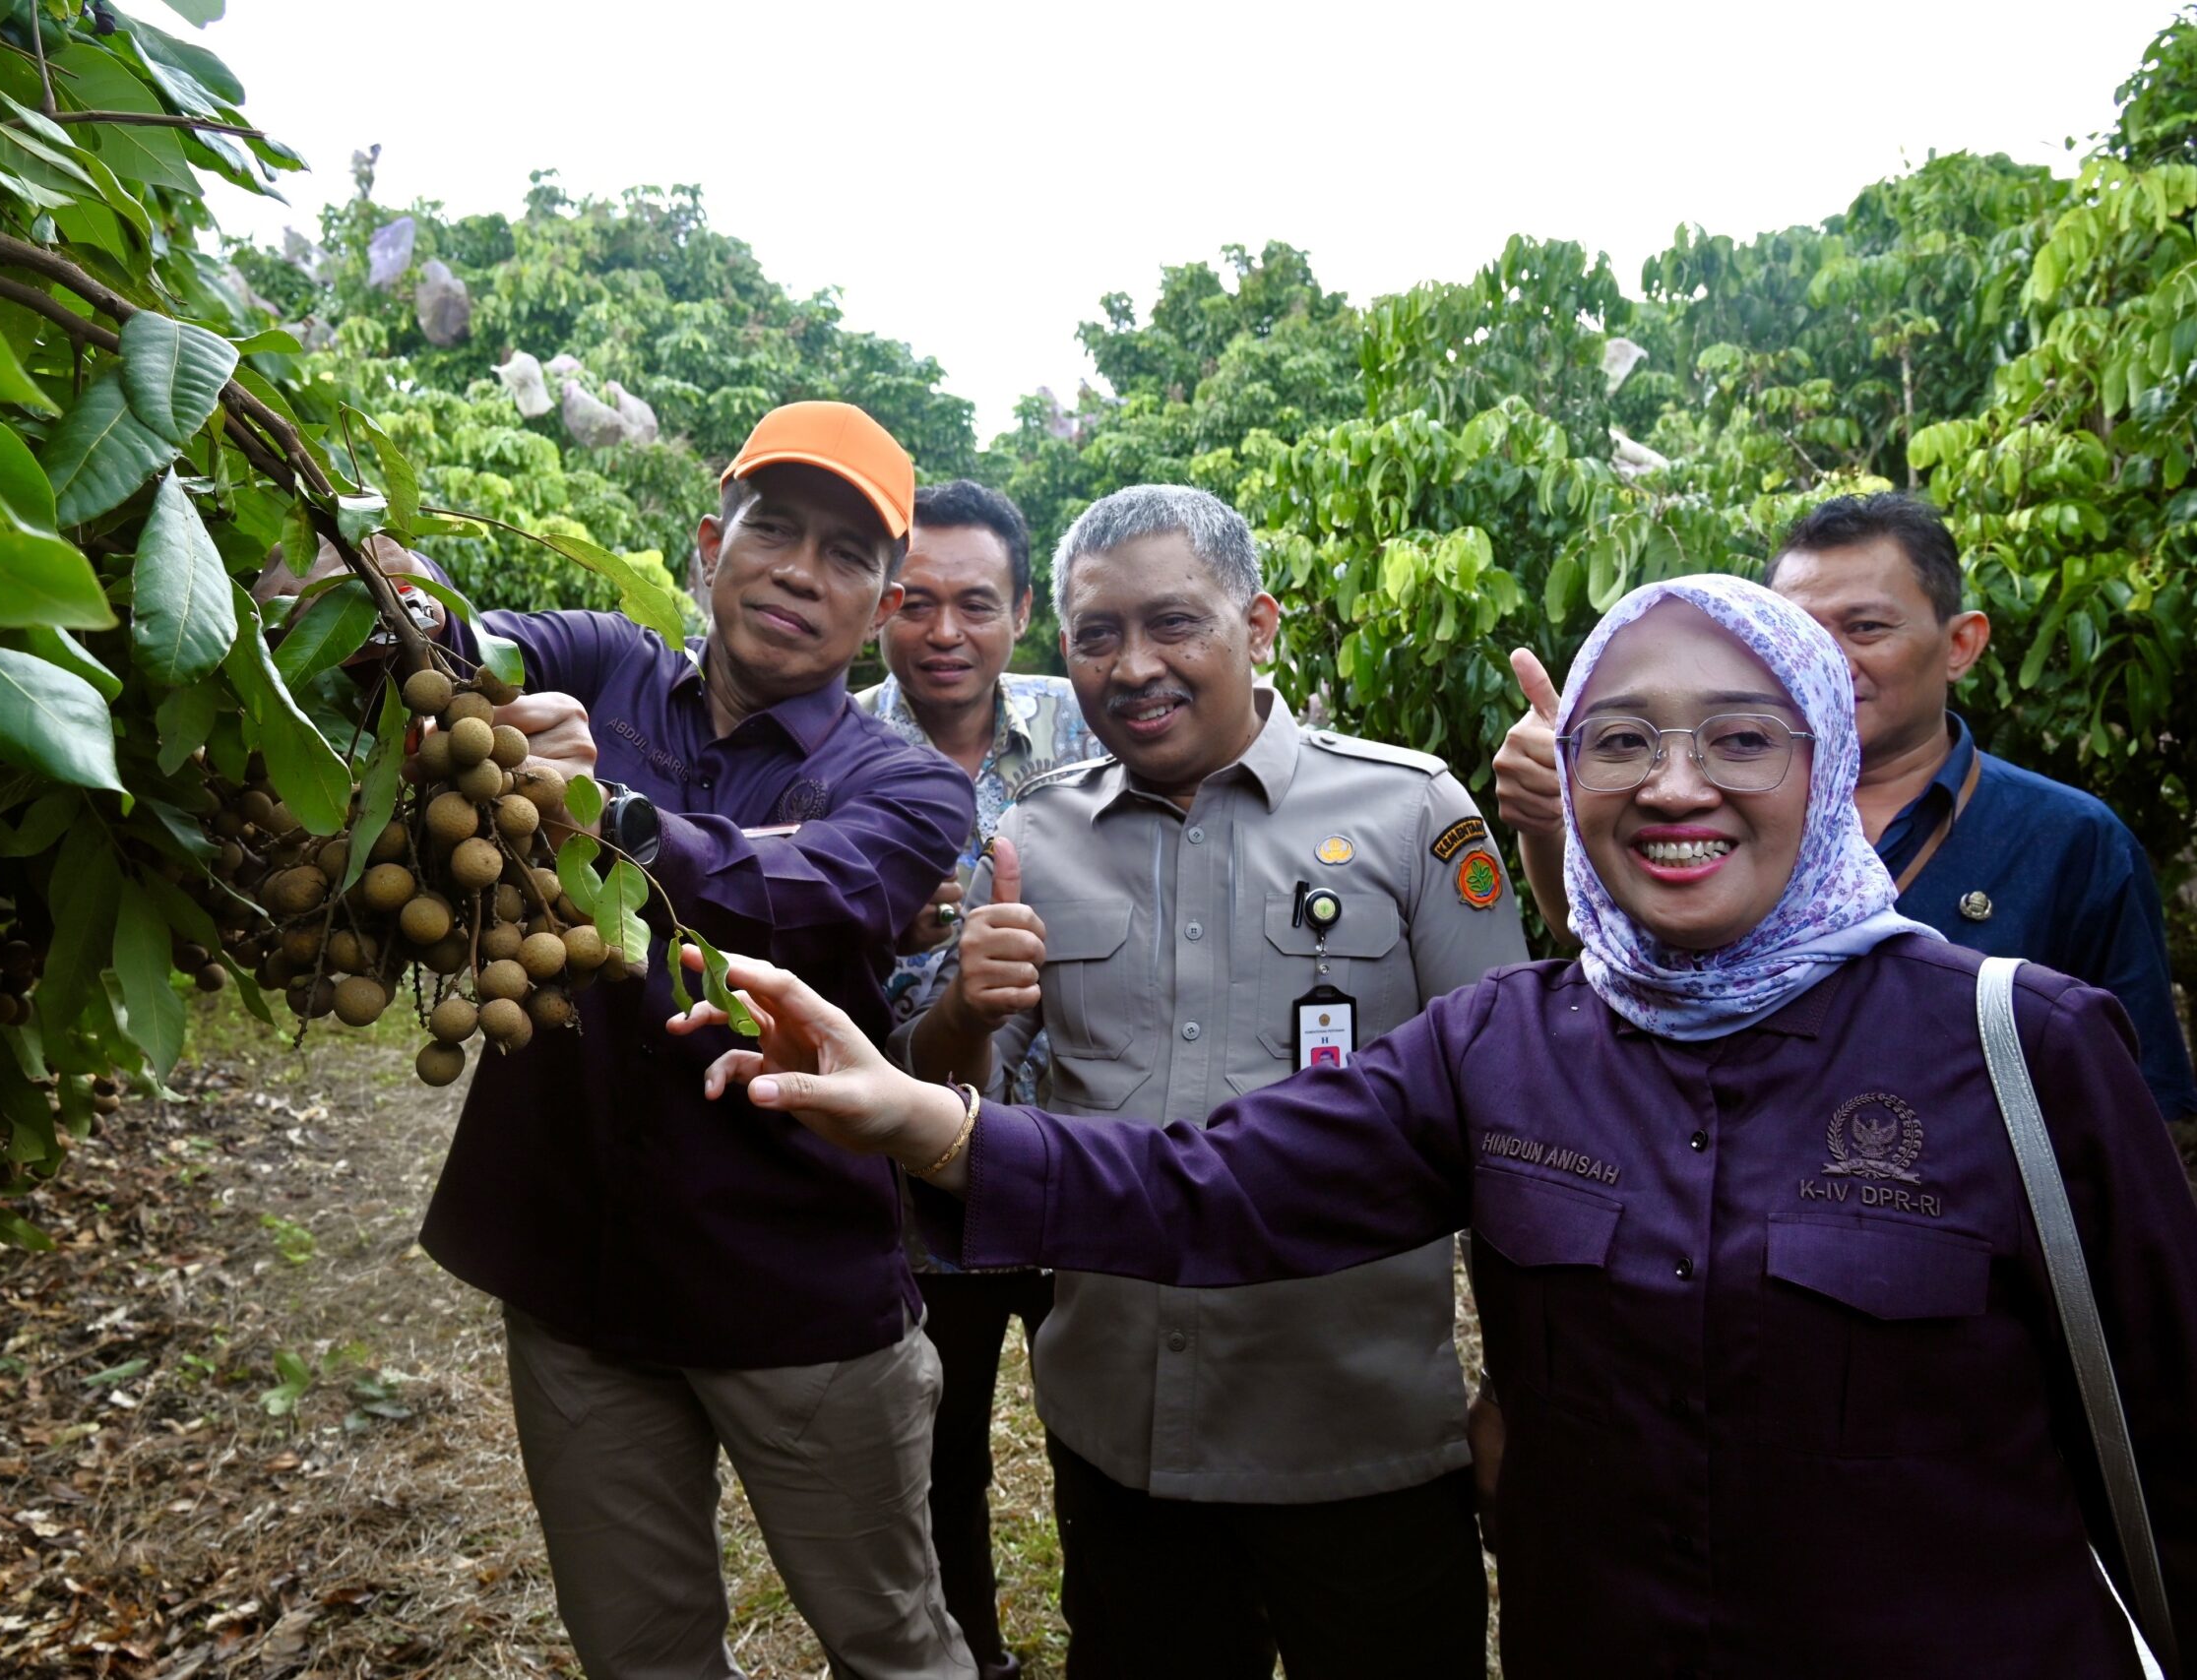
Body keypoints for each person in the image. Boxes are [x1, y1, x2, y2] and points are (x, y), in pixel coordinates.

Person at [672, 575, 2197, 1679]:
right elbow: (1210, 1186)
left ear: (1826, 766)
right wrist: (926, 1117)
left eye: (1742, 736)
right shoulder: (1508, 1045)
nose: (1676, 784)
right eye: (1622, 739)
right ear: (1567, 782)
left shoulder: (2018, 1043)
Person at [287, 402, 980, 1679]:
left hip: (794, 1290)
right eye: (773, 529)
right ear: (712, 544)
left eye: (844, 553)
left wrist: (604, 817)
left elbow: (810, 889)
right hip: (578, 1282)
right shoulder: (599, 658)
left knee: (891, 1640)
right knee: (638, 1650)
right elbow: (439, 651)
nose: (798, 572)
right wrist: (356, 574)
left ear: (883, 608)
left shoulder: (913, 784)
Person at [899, 485, 1526, 1679]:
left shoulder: (1411, 815)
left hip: (1358, 1439)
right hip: (1121, 1433)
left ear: (1259, 625)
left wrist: (1515, 1387)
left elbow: (1509, 1126)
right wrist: (963, 1011)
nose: (1133, 666)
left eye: (1174, 623)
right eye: (1096, 636)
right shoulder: (1038, 838)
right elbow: (951, 1101)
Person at [1496, 491, 2197, 1118]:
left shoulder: (2074, 841)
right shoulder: (1712, 808)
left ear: (1960, 644)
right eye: (1798, 631)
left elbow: (2130, 1121)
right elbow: (1613, 950)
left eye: (1865, 627)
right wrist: (1554, 816)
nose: (1826, 660)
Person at [854, 479, 1098, 1680]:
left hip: (1086, 1166)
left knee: (1101, 1444)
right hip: (910, 1190)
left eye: (977, 604)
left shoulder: (1088, 729)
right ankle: (972, 1660)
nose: (944, 632)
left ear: (1022, 613)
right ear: (879, 606)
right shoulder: (828, 751)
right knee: (932, 1456)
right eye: (916, 601)